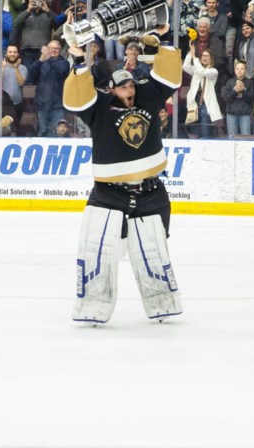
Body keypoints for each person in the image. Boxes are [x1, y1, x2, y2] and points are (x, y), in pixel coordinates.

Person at [63, 34, 183, 324]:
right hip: (108, 192)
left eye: (131, 84)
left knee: (153, 253)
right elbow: (75, 100)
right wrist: (79, 60)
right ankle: (92, 305)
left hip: (151, 191)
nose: (129, 89)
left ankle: (162, 303)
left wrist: (162, 40)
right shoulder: (99, 107)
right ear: (111, 89)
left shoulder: (148, 97)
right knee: (96, 253)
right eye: (122, 86)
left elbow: (170, 78)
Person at [27, 39, 70, 137]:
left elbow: (60, 70)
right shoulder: (42, 62)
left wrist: (48, 58)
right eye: (51, 48)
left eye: (56, 48)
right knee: (43, 130)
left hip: (58, 104)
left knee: (56, 131)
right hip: (42, 103)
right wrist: (40, 60)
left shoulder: (64, 63)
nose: (53, 50)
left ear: (60, 50)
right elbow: (30, 76)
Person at [223, 60, 254, 138]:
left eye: (242, 69)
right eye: (237, 69)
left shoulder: (249, 82)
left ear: (245, 71)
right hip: (231, 114)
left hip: (245, 114)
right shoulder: (230, 82)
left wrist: (243, 90)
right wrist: (235, 91)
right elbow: (226, 98)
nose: (239, 71)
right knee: (232, 138)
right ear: (235, 70)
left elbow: (251, 98)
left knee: (245, 138)